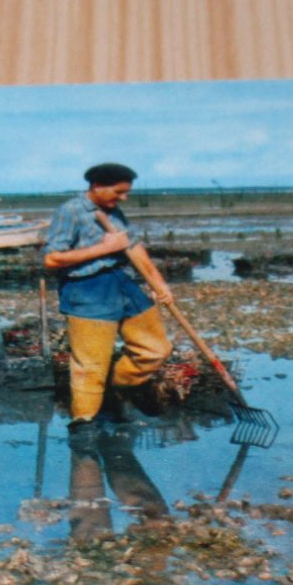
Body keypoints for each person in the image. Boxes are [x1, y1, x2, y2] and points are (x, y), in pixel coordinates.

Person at [43, 163, 175, 438]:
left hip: (122, 283)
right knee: (89, 365)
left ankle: (116, 388)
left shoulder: (115, 212)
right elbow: (52, 258)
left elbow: (133, 248)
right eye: (119, 192)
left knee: (156, 349)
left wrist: (158, 283)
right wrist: (103, 249)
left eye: (126, 192)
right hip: (86, 288)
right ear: (97, 186)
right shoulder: (71, 211)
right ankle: (83, 424)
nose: (123, 198)